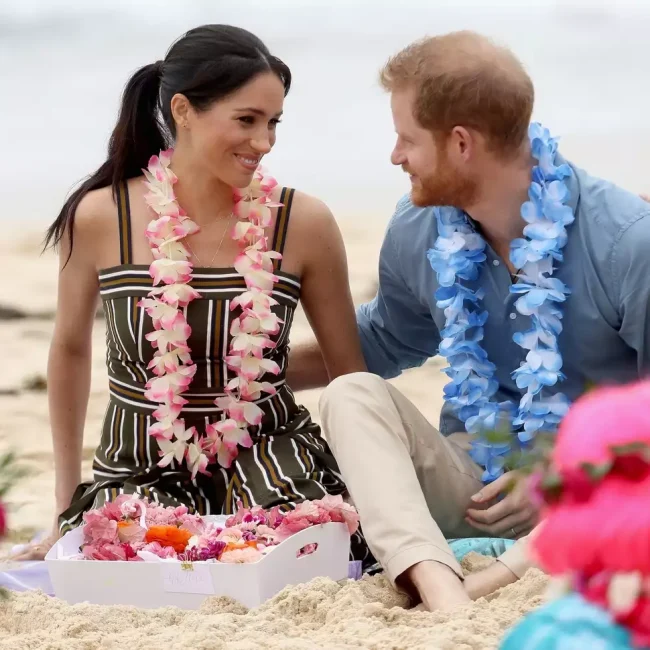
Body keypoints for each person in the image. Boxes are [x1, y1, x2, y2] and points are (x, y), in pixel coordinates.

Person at [288, 31, 650, 611]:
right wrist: (249, 373)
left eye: (407, 139)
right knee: (351, 394)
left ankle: (487, 583)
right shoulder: (419, 226)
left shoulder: (627, 242)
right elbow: (383, 339)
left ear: (461, 143)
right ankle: (435, 581)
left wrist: (563, 473)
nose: (395, 156)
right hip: (474, 486)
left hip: (595, 494)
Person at [13, 24, 370, 562]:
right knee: (122, 552)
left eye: (273, 122)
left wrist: (369, 494)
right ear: (182, 110)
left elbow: (349, 377)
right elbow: (69, 349)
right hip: (139, 462)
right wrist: (65, 505)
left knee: (294, 550)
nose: (264, 142)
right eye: (246, 120)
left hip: (269, 457)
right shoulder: (101, 216)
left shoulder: (303, 222)